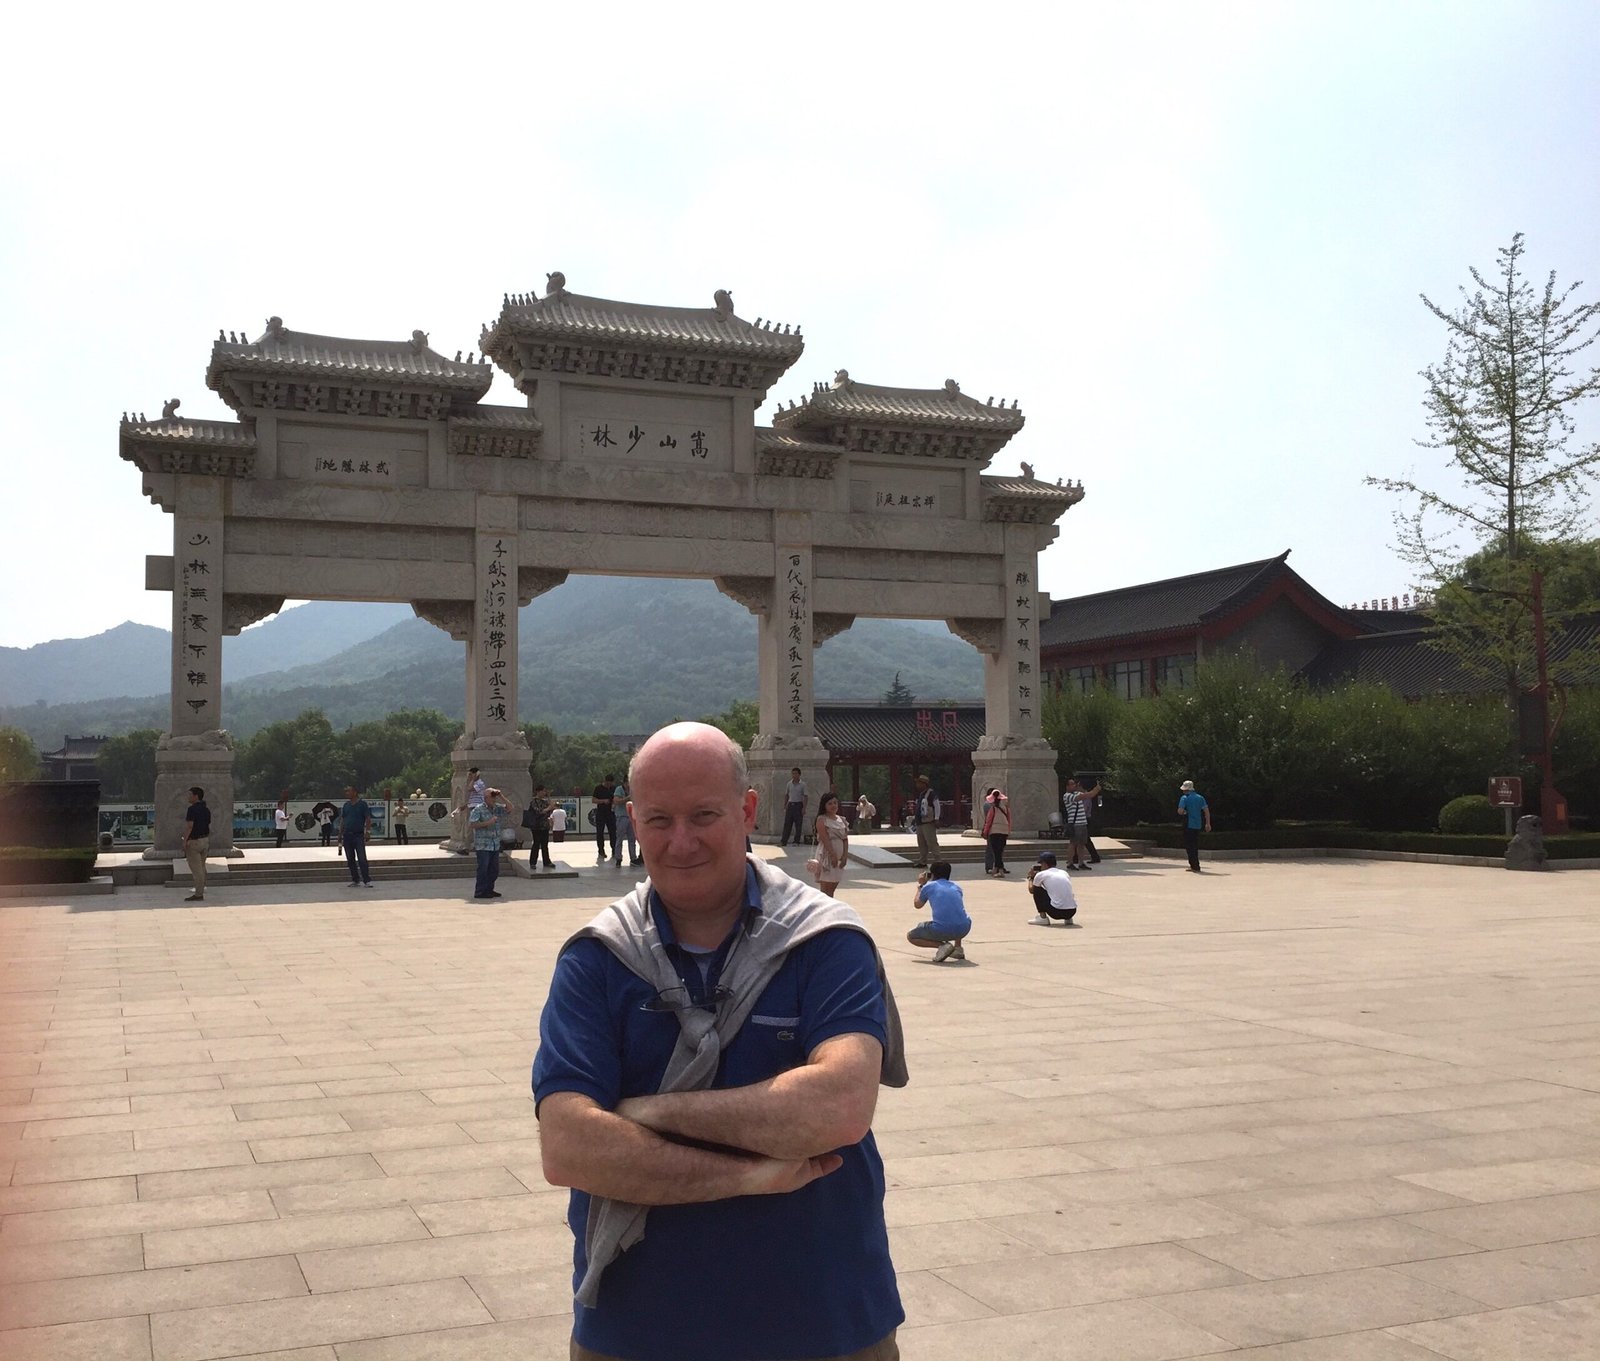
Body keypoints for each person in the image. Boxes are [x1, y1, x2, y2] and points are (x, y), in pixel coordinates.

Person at [531, 721, 907, 1361]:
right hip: (638, 1324)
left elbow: (838, 1107)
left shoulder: (826, 941)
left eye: (704, 815)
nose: (681, 842)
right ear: (631, 819)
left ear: (748, 808)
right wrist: (753, 1175)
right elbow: (570, 1147)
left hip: (825, 1320)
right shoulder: (597, 958)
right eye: (659, 820)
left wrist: (645, 1113)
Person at [909, 861, 971, 963]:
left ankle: (942, 946)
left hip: (943, 929)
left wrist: (920, 886)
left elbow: (917, 904)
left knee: (911, 936)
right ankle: (958, 948)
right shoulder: (957, 887)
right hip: (964, 927)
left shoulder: (929, 886)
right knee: (955, 913)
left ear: (932, 874)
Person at [470, 787, 507, 899]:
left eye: (494, 797)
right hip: (483, 844)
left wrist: (501, 796)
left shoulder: (497, 808)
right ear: (485, 798)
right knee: (483, 868)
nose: (494, 799)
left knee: (494, 869)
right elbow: (472, 824)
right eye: (492, 796)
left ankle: (489, 889)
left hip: (494, 844)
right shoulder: (478, 809)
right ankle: (480, 891)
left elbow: (511, 808)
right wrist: (488, 823)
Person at [812, 791, 849, 898]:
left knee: (833, 886)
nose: (833, 805)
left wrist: (845, 856)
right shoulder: (822, 819)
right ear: (824, 805)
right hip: (826, 855)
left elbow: (845, 839)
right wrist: (832, 854)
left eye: (835, 803)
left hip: (839, 857)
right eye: (830, 803)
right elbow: (825, 839)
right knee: (825, 888)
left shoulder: (842, 819)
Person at [1027, 850, 1078, 926]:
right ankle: (1068, 919)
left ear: (1044, 863)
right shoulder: (1064, 872)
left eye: (1041, 864)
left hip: (1055, 912)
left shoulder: (1041, 874)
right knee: (1061, 889)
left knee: (1038, 890)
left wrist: (1031, 878)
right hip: (1072, 911)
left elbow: (1031, 890)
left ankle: (1042, 918)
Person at [1062, 776, 1101, 870]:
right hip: (1075, 824)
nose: (1074, 786)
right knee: (1073, 843)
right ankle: (1070, 863)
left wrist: (1095, 791)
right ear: (1067, 786)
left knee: (1082, 844)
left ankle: (1081, 863)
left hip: (1082, 822)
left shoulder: (1077, 793)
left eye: (1074, 784)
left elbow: (1088, 795)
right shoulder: (1067, 796)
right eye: (1071, 784)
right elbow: (1085, 796)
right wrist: (1096, 789)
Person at [339, 785, 374, 888]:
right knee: (350, 859)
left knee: (362, 858)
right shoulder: (346, 805)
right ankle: (355, 879)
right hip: (347, 835)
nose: (347, 793)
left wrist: (368, 831)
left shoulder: (362, 804)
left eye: (349, 791)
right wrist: (340, 833)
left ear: (355, 792)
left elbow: (367, 818)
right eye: (346, 791)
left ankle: (366, 880)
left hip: (358, 835)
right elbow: (343, 820)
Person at [182, 786, 210, 902]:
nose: (188, 797)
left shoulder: (192, 809)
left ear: (196, 796)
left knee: (196, 870)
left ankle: (199, 893)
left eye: (190, 795)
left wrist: (184, 841)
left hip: (194, 841)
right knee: (202, 867)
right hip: (205, 840)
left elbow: (190, 826)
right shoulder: (206, 809)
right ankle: (201, 888)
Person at [1178, 779, 1212, 872]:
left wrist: (1185, 812)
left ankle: (1194, 865)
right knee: (1195, 844)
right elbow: (1206, 811)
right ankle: (1196, 865)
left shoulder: (1184, 798)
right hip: (1197, 824)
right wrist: (1208, 823)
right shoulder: (1200, 798)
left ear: (1186, 789)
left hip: (1188, 824)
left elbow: (1180, 811)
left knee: (1189, 845)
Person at [912, 774, 941, 867]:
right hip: (920, 822)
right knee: (921, 843)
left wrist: (937, 818)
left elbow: (937, 806)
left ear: (924, 784)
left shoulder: (931, 794)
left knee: (932, 842)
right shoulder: (921, 794)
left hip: (928, 822)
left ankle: (938, 860)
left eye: (919, 783)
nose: (917, 785)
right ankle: (922, 861)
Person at [524, 784, 554, 870]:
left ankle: (547, 861)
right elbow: (539, 811)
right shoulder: (534, 802)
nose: (544, 793)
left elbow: (552, 806)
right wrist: (547, 809)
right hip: (536, 826)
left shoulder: (544, 802)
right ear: (538, 791)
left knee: (545, 845)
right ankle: (533, 862)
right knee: (536, 844)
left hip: (544, 826)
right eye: (543, 791)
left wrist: (549, 797)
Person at [982, 786, 1010, 876]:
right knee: (1000, 851)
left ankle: (998, 869)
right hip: (1004, 831)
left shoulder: (992, 808)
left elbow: (988, 821)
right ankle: (997, 869)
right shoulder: (1005, 807)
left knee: (995, 851)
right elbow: (1009, 820)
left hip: (994, 831)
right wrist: (1008, 830)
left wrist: (985, 832)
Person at [612, 778, 640, 867]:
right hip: (622, 816)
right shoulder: (619, 790)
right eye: (628, 783)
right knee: (619, 838)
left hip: (632, 817)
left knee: (632, 839)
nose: (629, 785)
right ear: (624, 783)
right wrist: (627, 798)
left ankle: (633, 858)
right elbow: (616, 801)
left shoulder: (634, 789)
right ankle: (618, 858)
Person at [780, 766, 808, 846]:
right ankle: (783, 841)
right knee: (787, 824)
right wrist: (785, 805)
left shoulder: (803, 785)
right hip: (790, 804)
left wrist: (804, 808)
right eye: (793, 773)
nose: (794, 775)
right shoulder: (789, 784)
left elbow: (805, 796)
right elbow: (786, 795)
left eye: (796, 773)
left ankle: (796, 841)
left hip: (798, 804)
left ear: (799, 775)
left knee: (798, 824)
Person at [592, 775, 617, 863]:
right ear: (605, 781)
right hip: (601, 813)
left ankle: (614, 849)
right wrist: (603, 801)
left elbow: (615, 798)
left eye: (611, 783)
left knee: (613, 832)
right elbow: (593, 800)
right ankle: (601, 850)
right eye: (608, 783)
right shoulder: (598, 788)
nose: (609, 785)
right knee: (600, 832)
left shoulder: (614, 788)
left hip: (611, 813)